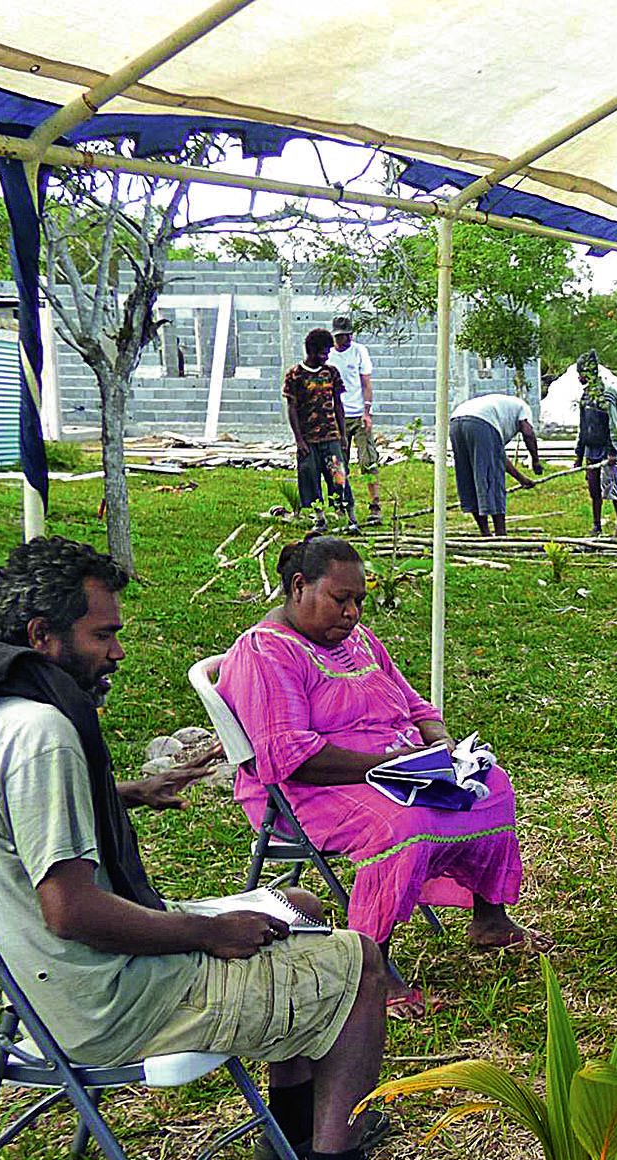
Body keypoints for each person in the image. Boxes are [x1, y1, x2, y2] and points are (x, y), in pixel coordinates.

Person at [0, 537, 436, 1160]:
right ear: (42, 635)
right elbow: (71, 910)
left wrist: (123, 793)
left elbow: (16, 823)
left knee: (299, 906)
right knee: (361, 960)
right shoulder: (43, 736)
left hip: (46, 985)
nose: (116, 650)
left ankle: (282, 1146)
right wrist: (206, 932)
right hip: (105, 1001)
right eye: (103, 634)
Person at [216, 536, 546, 1000]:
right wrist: (389, 766)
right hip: (316, 790)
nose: (352, 613)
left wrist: (442, 744)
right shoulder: (266, 653)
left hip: (399, 769)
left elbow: (414, 703)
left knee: (490, 785)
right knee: (402, 822)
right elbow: (292, 758)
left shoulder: (360, 641)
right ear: (297, 587)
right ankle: (373, 960)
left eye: (359, 601)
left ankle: (489, 918)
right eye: (341, 599)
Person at [283, 328, 358, 531]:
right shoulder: (294, 375)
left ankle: (351, 518)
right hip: (308, 439)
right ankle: (319, 518)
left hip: (330, 436)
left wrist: (342, 435)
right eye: (322, 352)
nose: (325, 357)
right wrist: (299, 440)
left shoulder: (331, 373)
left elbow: (338, 405)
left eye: (327, 353)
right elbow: (291, 408)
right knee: (309, 477)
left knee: (338, 476)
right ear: (311, 351)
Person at [450, 390, 543, 538]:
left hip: (456, 421)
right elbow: (528, 433)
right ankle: (501, 534)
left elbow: (498, 457)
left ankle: (485, 533)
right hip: (481, 422)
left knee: (468, 478)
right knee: (491, 479)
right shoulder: (522, 407)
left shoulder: (500, 408)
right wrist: (535, 460)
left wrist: (522, 479)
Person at [326, 314, 380, 525]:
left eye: (347, 336)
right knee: (339, 462)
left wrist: (367, 411)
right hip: (337, 415)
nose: (343, 340)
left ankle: (375, 505)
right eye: (340, 337)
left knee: (368, 460)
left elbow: (366, 382)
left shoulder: (359, 352)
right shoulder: (328, 355)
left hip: (358, 413)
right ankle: (341, 504)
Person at [573, 351, 617, 539]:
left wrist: (612, 451)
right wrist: (579, 455)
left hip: (607, 449)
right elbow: (583, 427)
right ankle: (597, 526)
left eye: (581, 373)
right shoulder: (586, 396)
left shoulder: (606, 394)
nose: (579, 377)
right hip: (591, 449)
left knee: (612, 486)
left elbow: (613, 424)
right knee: (594, 488)